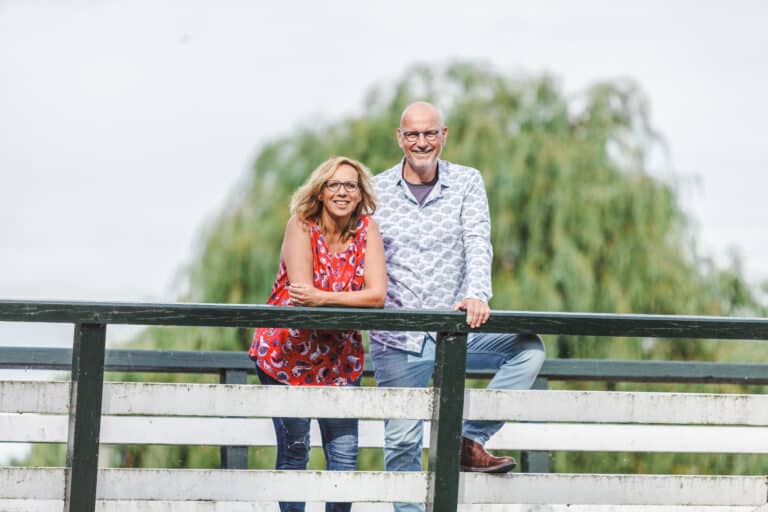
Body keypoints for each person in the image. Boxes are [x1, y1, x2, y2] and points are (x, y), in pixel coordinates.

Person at [370, 101, 546, 512]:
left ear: (444, 136)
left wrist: (478, 294)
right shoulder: (374, 190)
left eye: (429, 133)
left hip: (455, 328)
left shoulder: (466, 182)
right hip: (398, 337)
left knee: (528, 348)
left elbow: (477, 240)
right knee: (401, 445)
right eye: (412, 134)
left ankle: (468, 440)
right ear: (400, 139)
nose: (421, 142)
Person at [249, 156, 386, 512]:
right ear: (321, 192)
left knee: (344, 453)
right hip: (286, 356)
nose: (342, 192)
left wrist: (325, 297)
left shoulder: (367, 230)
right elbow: (300, 295)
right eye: (334, 185)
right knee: (295, 450)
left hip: (340, 359)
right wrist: (342, 300)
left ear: (360, 194)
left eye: (350, 186)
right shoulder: (301, 225)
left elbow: (377, 296)